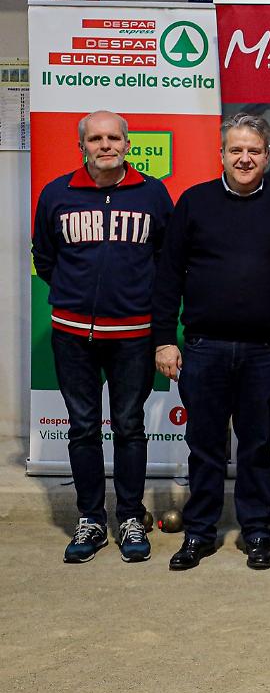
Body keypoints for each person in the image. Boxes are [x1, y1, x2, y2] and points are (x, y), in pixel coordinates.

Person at [154, 113, 270, 571]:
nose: (244, 158)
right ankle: (199, 532)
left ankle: (257, 529)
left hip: (265, 350)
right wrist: (164, 339)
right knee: (205, 446)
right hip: (204, 347)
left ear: (267, 155)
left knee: (257, 445)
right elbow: (167, 276)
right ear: (221, 154)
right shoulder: (194, 202)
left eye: (253, 150)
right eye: (235, 150)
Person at [32, 110, 172, 564]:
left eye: (114, 137)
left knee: (130, 427)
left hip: (134, 334)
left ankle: (130, 515)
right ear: (83, 146)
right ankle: (91, 518)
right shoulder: (57, 193)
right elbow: (45, 255)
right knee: (83, 428)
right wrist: (73, 297)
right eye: (96, 138)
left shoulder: (152, 193)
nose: (105, 145)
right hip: (73, 334)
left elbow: (167, 259)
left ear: (128, 143)